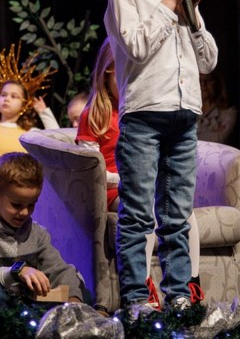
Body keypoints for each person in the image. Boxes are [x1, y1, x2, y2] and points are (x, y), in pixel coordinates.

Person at [103, 0, 218, 312]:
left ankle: (179, 294)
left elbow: (208, 61)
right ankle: (137, 298)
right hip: (144, 116)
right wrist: (169, 3)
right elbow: (136, 47)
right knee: (138, 213)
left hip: (184, 116)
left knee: (178, 214)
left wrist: (192, 13)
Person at [75, 37, 204, 309]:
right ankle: (142, 285)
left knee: (183, 214)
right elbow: (89, 170)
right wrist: (124, 179)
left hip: (146, 184)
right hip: (114, 190)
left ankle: (190, 282)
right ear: (109, 72)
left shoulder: (148, 114)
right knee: (142, 211)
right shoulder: (96, 114)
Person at [0, 151, 90, 308]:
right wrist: (19, 272)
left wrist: (73, 299)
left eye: (31, 205)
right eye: (16, 205)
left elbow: (59, 270)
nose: (24, 212)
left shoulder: (37, 233)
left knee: (81, 291)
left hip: (24, 304)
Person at [0, 44, 59, 199]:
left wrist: (44, 112)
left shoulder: (30, 134)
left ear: (24, 104)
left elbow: (56, 141)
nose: (7, 99)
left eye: (14, 96)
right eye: (3, 95)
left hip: (22, 196)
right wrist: (5, 167)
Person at [197, 69, 237, 144]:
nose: (203, 84)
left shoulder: (228, 113)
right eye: (200, 80)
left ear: (217, 83)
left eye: (208, 80)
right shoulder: (188, 110)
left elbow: (218, 140)